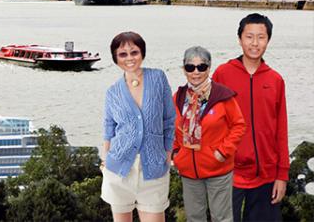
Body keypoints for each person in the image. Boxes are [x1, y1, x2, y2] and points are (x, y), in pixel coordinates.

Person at [212, 13, 289, 222]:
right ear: (239, 39)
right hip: (228, 175)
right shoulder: (222, 74)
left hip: (266, 175)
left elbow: (281, 130)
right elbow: (210, 123)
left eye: (261, 37)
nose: (255, 43)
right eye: (249, 36)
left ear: (268, 40)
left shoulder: (275, 80)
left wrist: (281, 175)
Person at [101, 31, 176, 222]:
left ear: (142, 53)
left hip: (154, 168)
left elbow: (169, 119)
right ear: (115, 58)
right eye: (122, 54)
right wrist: (106, 158)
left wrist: (167, 154)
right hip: (119, 170)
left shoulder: (158, 78)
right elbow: (109, 128)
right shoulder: (112, 92)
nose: (129, 58)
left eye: (134, 52)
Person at [172, 46, 246, 222]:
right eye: (190, 67)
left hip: (218, 170)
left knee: (221, 218)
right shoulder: (178, 97)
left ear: (209, 67)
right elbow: (173, 128)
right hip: (189, 172)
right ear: (184, 69)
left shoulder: (223, 96)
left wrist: (222, 152)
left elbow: (239, 125)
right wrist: (176, 153)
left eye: (201, 67)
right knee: (194, 217)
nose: (196, 72)